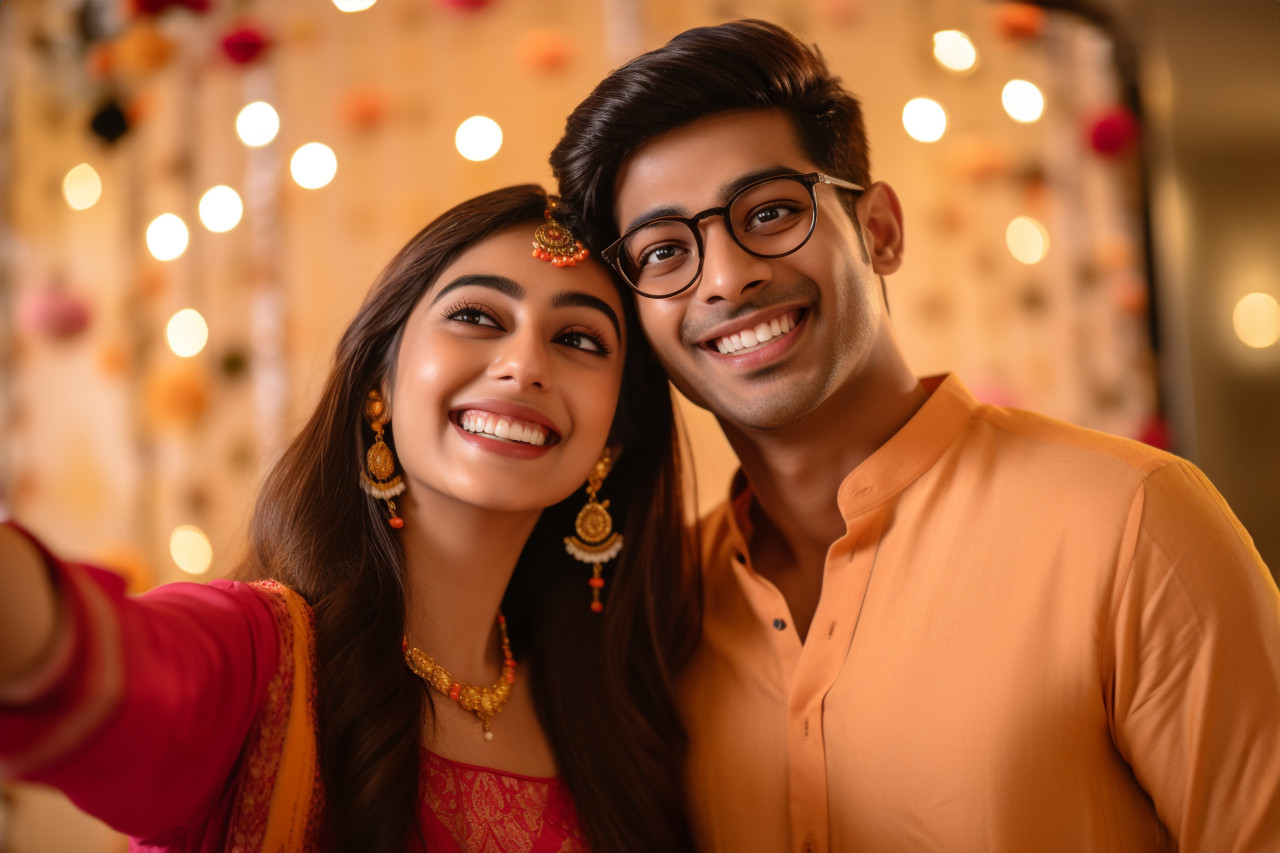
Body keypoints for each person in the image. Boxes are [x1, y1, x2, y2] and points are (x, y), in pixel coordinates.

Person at [549, 19, 1280, 853]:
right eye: (663, 252)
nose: (726, 276)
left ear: (881, 230)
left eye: (773, 211)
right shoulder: (658, 606)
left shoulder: (1130, 522)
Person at [0, 185, 697, 852]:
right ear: (380, 384)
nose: (525, 365)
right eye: (478, 317)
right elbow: (84, 655)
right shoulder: (255, 664)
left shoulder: (623, 714)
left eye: (579, 338)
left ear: (612, 438)